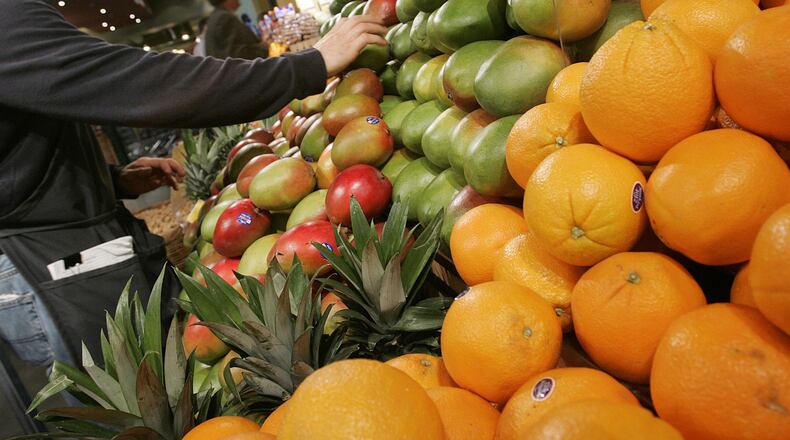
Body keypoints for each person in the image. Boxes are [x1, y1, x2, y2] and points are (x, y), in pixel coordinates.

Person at [0, 0, 387, 368]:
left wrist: (110, 181)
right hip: (45, 260)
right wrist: (306, 67)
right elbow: (141, 83)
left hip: (56, 250)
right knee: (131, 413)